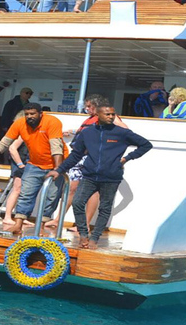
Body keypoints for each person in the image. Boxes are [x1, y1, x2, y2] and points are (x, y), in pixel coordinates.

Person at [47, 105, 152, 249]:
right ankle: (83, 234)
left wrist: (127, 158)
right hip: (89, 175)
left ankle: (94, 239)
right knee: (77, 202)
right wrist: (59, 170)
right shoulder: (87, 133)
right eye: (107, 114)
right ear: (98, 115)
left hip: (111, 177)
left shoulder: (122, 133)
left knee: (105, 208)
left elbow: (146, 145)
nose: (111, 117)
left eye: (112, 114)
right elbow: (76, 155)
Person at [0, 103, 66, 235]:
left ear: (41, 114)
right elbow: (4, 143)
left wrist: (58, 168)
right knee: (25, 194)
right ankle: (18, 224)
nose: (29, 117)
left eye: (33, 114)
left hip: (56, 163)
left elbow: (56, 146)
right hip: (34, 164)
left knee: (51, 197)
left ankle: (40, 226)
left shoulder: (52, 122)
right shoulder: (19, 123)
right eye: (27, 114)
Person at [49, 95, 129, 230]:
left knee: (93, 190)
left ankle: (84, 224)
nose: (86, 109)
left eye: (89, 106)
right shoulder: (90, 120)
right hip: (79, 156)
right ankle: (58, 219)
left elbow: (125, 130)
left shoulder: (107, 117)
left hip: (92, 158)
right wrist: (73, 131)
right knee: (71, 188)